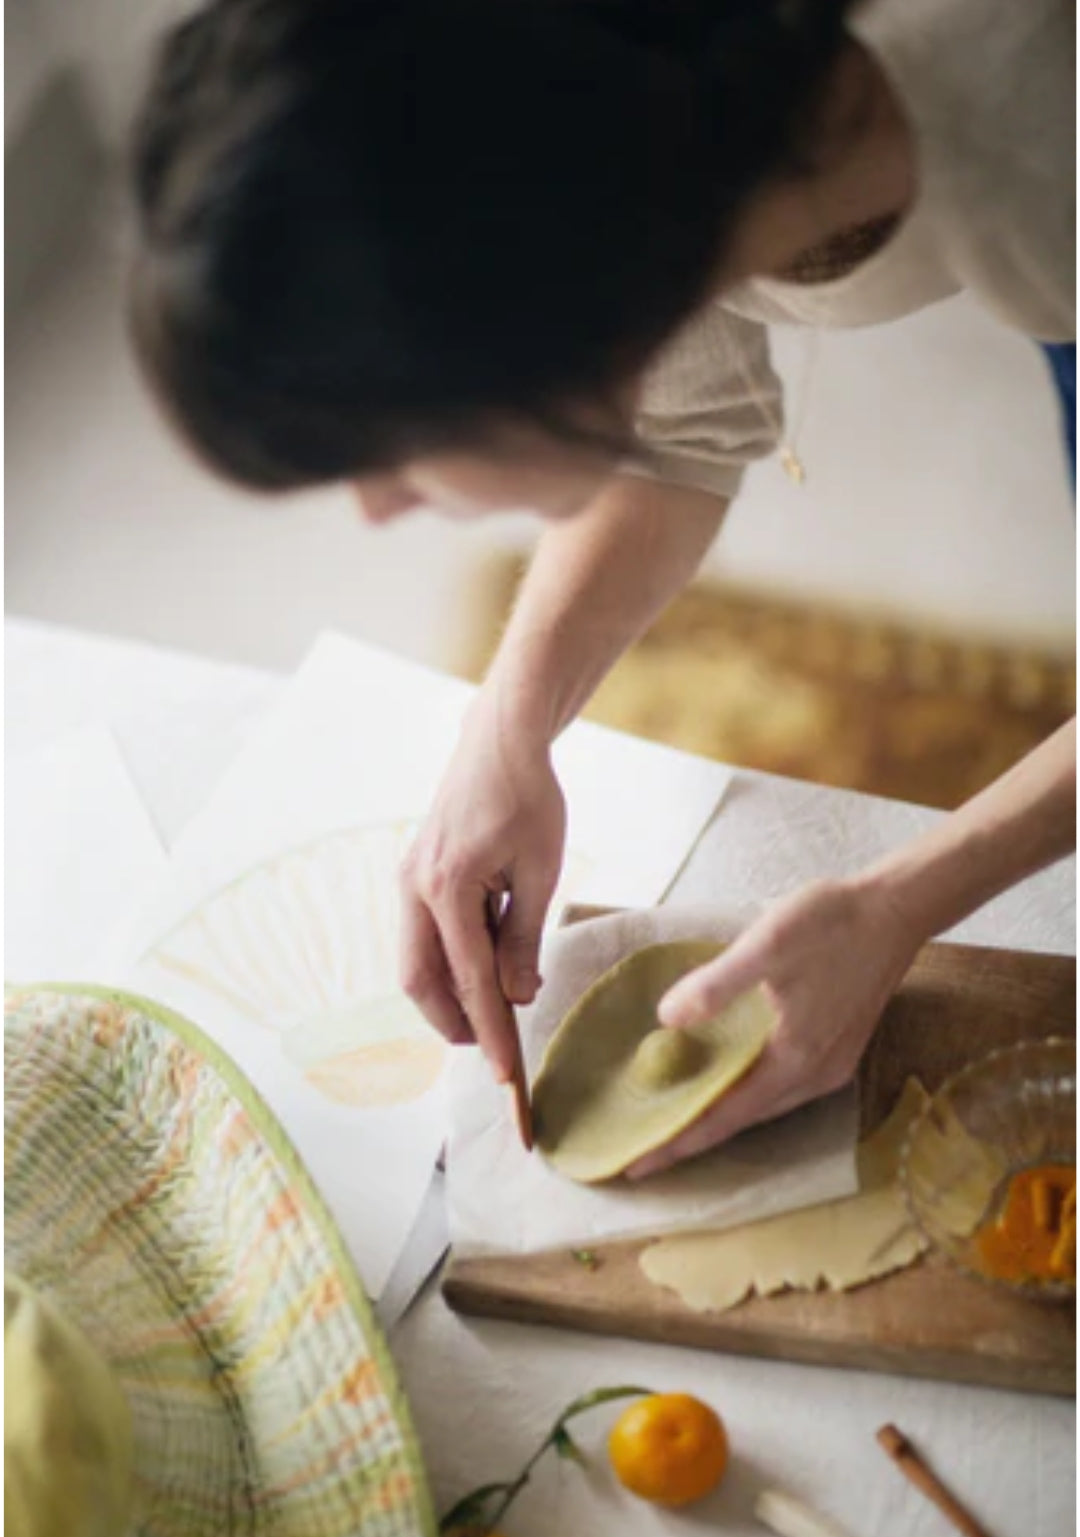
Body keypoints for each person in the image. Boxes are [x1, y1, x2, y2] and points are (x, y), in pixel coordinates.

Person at [129, 0, 1075, 1175]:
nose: (376, 509)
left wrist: (905, 903)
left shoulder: (1033, 124)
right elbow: (685, 429)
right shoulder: (606, 118)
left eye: (383, 449)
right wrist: (507, 724)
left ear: (536, 336)